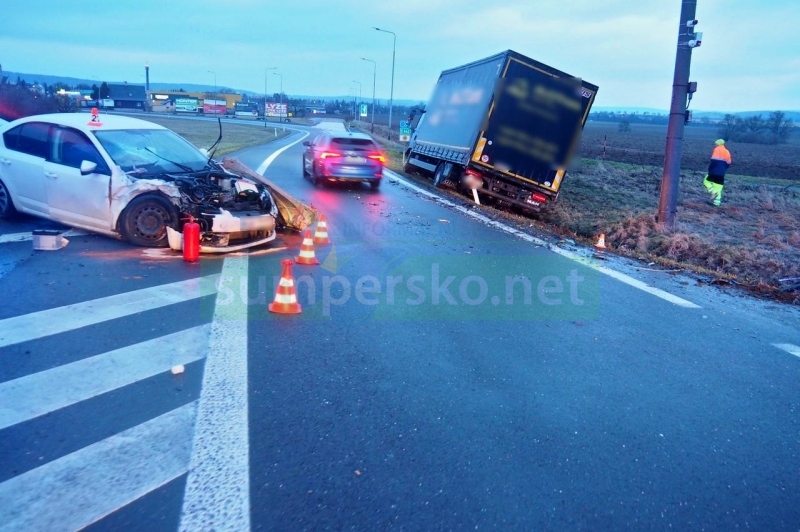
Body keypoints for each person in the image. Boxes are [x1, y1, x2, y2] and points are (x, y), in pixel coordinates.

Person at [702, 139, 732, 206]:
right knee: (718, 188)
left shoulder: (717, 149)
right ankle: (716, 203)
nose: (714, 145)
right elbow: (728, 163)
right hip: (722, 173)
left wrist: (710, 169)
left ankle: (714, 192)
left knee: (706, 181)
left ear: (717, 144)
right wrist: (723, 169)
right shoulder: (727, 151)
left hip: (714, 171)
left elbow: (713, 161)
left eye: (715, 144)